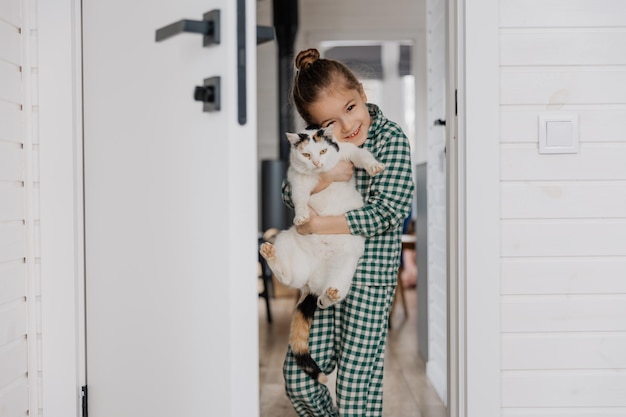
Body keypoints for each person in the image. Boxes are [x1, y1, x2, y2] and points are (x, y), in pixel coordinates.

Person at [281, 48, 415, 417]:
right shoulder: (322, 150)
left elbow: (388, 212)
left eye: (350, 108)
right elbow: (287, 191)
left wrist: (319, 223)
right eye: (331, 123)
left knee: (357, 386)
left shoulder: (392, 141)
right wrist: (324, 179)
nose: (347, 126)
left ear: (362, 92)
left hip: (369, 280)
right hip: (323, 277)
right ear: (316, 128)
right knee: (298, 376)